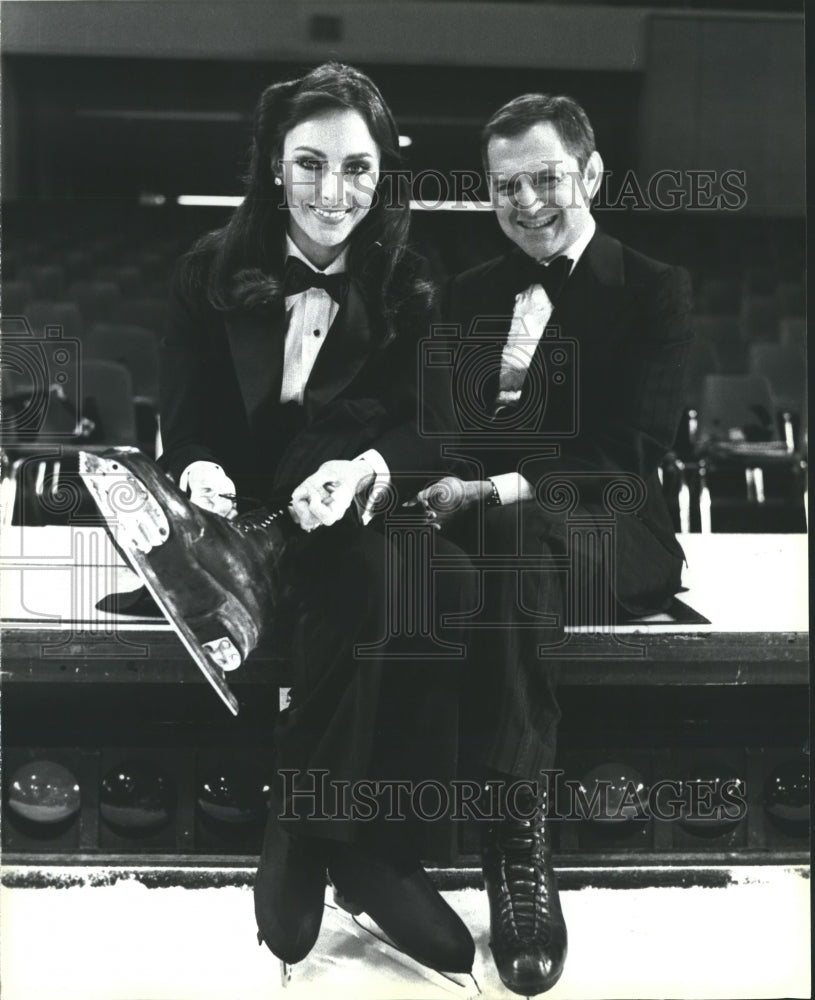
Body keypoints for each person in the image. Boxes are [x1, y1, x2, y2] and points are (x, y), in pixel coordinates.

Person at [81, 62, 475, 978]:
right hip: (246, 515)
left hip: (355, 507)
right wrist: (205, 472)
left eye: (357, 168)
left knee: (427, 579)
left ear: (383, 176)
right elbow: (190, 424)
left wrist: (365, 468)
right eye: (309, 164)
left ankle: (310, 819)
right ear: (269, 165)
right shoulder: (206, 269)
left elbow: (436, 423)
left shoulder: (416, 280)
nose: (333, 193)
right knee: (394, 584)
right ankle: (371, 853)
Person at [415, 93, 694, 996]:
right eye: (505, 185)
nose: (526, 201)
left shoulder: (652, 287)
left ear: (591, 173)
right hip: (504, 537)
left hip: (615, 529)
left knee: (512, 524)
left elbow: (627, 453)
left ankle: (514, 843)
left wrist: (490, 485)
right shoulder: (464, 293)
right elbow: (444, 435)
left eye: (546, 178)